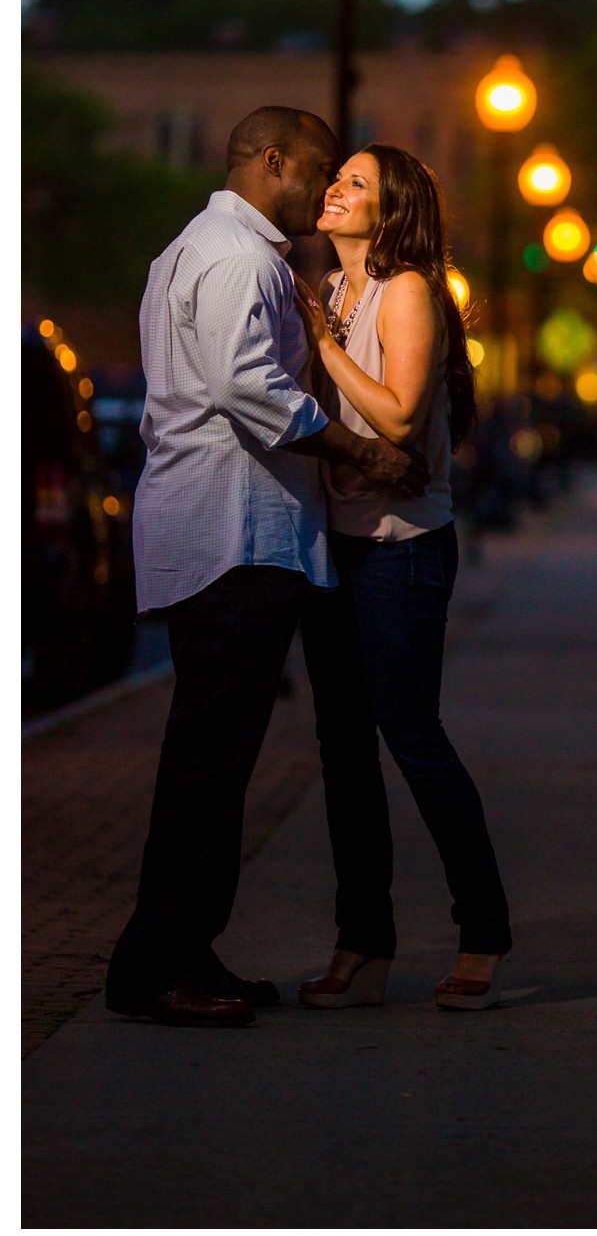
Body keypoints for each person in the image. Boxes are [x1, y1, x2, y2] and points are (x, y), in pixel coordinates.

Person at [105, 107, 426, 1029]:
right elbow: (252, 390)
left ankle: (186, 951)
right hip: (234, 533)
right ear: (270, 161)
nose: (325, 189)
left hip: (225, 527)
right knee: (209, 760)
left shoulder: (195, 247)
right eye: (318, 169)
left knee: (216, 755)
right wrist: (358, 454)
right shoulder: (241, 258)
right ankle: (152, 967)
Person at [294, 143, 513, 1012]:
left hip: (402, 549)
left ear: (391, 211)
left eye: (355, 183)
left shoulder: (406, 290)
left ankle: (483, 933)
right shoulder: (338, 291)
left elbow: (397, 411)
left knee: (412, 740)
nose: (333, 189)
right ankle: (363, 944)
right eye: (335, 177)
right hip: (335, 545)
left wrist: (317, 341)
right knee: (342, 750)